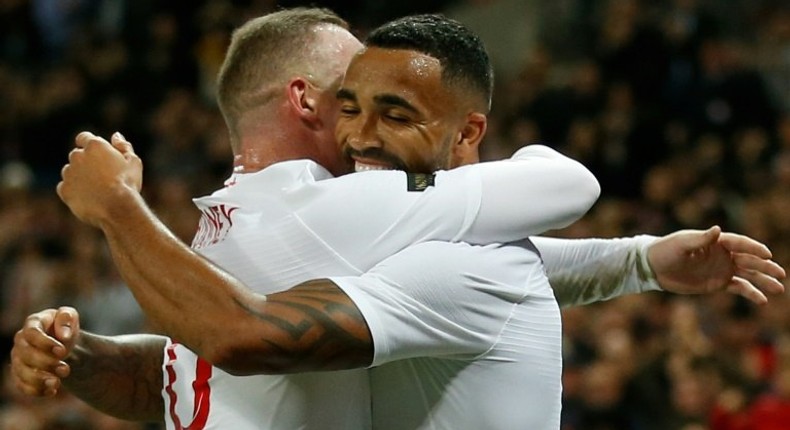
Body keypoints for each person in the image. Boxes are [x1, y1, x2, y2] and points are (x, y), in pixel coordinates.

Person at [11, 8, 785, 430]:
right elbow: (193, 368)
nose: (362, 132)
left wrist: (119, 215)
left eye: (391, 109)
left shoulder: (214, 234)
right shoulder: (349, 215)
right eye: (350, 99)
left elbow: (203, 362)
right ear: (308, 101)